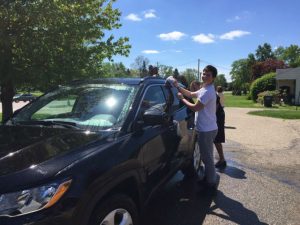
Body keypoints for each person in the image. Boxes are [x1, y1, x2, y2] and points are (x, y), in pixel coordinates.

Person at [175, 65, 219, 189]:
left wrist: (182, 99)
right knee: (207, 156)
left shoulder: (207, 91)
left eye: (208, 74)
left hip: (206, 130)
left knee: (207, 158)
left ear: (213, 77)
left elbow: (195, 107)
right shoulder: (204, 88)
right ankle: (209, 178)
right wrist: (177, 86)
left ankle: (210, 184)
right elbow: (190, 93)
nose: (204, 76)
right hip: (208, 128)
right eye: (204, 73)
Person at [214, 92, 226, 168]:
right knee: (216, 140)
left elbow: (214, 110)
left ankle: (222, 160)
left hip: (218, 118)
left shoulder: (212, 94)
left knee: (217, 139)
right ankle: (222, 159)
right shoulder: (212, 93)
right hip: (218, 117)